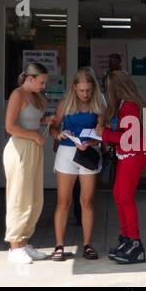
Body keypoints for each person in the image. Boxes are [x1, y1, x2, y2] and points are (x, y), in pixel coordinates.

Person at [96, 70, 146, 264]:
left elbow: (131, 137)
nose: (106, 92)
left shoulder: (129, 106)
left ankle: (135, 243)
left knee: (125, 198)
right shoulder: (122, 105)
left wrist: (104, 134)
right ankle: (127, 239)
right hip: (127, 153)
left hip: (134, 154)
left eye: (108, 88)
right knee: (119, 196)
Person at [50, 68, 104, 261]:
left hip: (88, 154)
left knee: (87, 202)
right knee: (63, 202)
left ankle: (87, 244)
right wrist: (59, 135)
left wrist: (92, 141)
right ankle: (59, 246)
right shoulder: (64, 104)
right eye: (81, 90)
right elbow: (54, 128)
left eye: (88, 90)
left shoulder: (98, 105)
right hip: (66, 152)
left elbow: (101, 134)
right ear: (74, 88)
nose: (85, 94)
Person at [3, 62, 54, 264]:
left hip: (32, 148)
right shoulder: (17, 94)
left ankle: (23, 243)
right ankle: (14, 247)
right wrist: (34, 135)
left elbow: (30, 120)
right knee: (19, 197)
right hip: (20, 150)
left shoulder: (33, 96)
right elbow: (10, 126)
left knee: (33, 198)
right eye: (41, 82)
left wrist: (45, 121)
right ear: (30, 79)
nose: (43, 86)